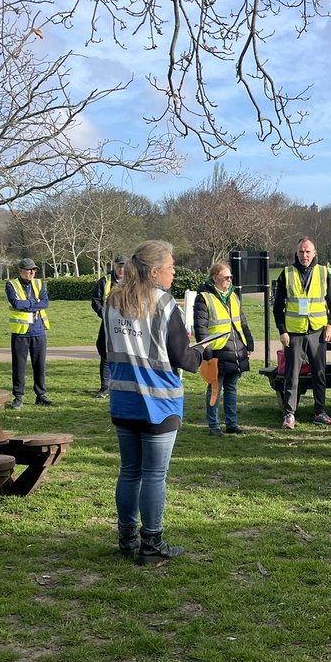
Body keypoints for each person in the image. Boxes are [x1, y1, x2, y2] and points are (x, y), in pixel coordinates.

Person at [104, 240, 207, 562]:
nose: (174, 272)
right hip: (159, 404)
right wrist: (203, 351)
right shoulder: (164, 304)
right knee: (154, 475)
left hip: (123, 399)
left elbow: (101, 346)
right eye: (170, 266)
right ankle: (151, 544)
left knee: (129, 471)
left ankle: (126, 539)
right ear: (154, 271)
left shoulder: (113, 301)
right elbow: (184, 359)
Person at [272, 237, 331, 429]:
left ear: (314, 253)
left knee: (319, 374)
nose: (305, 255)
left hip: (318, 332)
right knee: (291, 375)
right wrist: (282, 330)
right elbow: (278, 307)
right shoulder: (286, 273)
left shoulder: (323, 273)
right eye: (301, 252)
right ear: (297, 253)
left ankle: (320, 412)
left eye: (308, 251)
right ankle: (289, 414)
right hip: (294, 333)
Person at [193, 262, 254, 435]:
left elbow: (242, 321)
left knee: (232, 389)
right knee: (214, 389)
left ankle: (231, 424)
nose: (229, 280)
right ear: (215, 278)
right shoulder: (204, 298)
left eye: (230, 277)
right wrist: (207, 353)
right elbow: (201, 329)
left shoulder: (233, 296)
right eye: (225, 277)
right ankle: (214, 425)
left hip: (235, 350)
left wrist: (248, 343)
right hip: (217, 351)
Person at [6, 258, 51, 410]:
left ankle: (41, 395)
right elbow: (16, 304)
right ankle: (18, 397)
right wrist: (34, 302)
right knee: (19, 366)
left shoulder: (39, 283)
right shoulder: (11, 285)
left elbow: (45, 303)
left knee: (40, 365)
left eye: (34, 270)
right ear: (20, 271)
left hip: (38, 331)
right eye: (28, 270)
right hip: (21, 333)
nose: (32, 272)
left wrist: (28, 303)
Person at [92, 255, 127, 398]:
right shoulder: (104, 281)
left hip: (125, 325)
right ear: (114, 266)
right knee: (105, 354)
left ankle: (122, 384)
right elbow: (95, 301)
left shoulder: (133, 282)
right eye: (119, 266)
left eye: (124, 266)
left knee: (125, 355)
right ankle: (105, 387)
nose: (122, 269)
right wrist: (105, 315)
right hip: (107, 323)